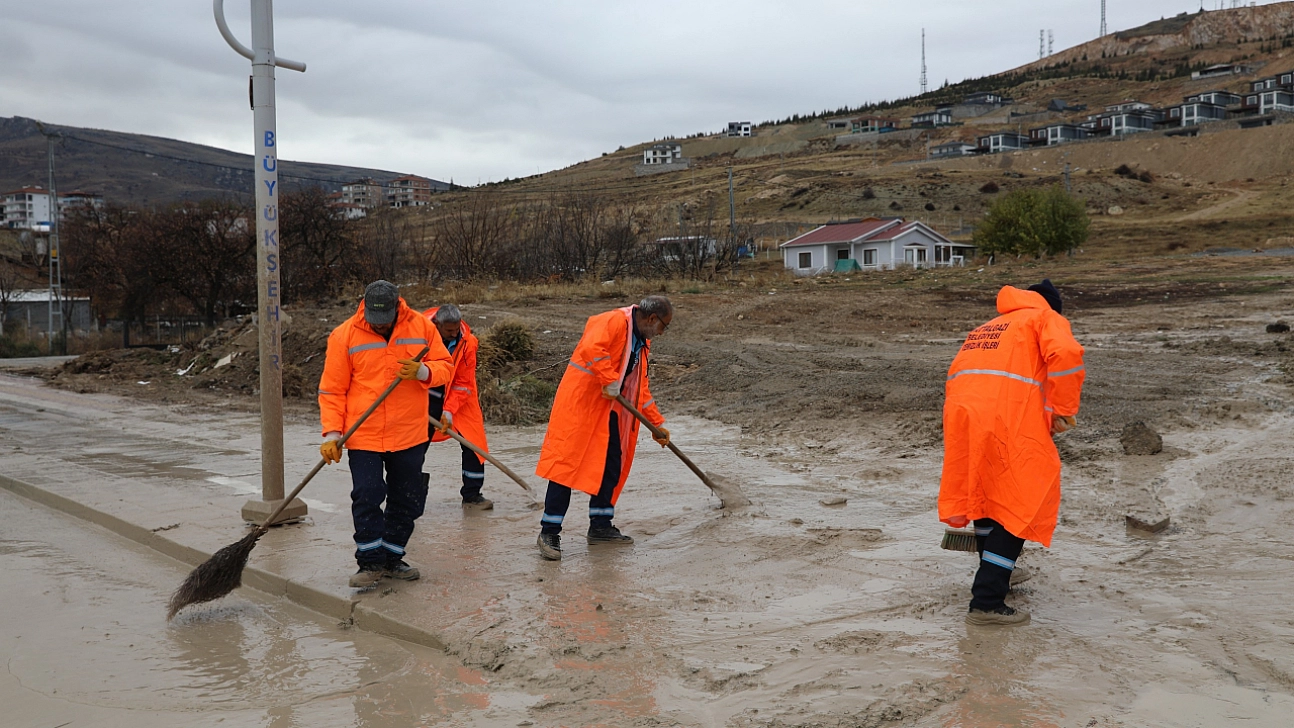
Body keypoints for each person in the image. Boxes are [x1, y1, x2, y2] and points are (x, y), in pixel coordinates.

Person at [938, 279, 1085, 626]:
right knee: (1024, 500)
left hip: (964, 417)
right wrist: (1062, 409)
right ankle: (987, 601)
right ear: (1050, 305)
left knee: (988, 495)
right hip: (1007, 416)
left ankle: (995, 567)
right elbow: (1065, 356)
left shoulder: (989, 327)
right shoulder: (1044, 318)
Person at [319, 280, 454, 589]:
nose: (378, 327)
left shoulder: (421, 327)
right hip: (363, 433)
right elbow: (332, 390)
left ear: (397, 308)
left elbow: (445, 367)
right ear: (364, 308)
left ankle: (393, 556)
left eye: (385, 321)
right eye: (373, 320)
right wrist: (332, 432)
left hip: (410, 431)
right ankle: (369, 562)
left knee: (407, 498)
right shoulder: (344, 336)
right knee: (366, 495)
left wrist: (423, 372)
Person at [534, 295, 673, 560]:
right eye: (664, 326)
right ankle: (549, 532)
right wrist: (608, 379)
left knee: (612, 464)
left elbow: (641, 388)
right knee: (566, 467)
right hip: (582, 406)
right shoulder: (613, 321)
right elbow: (592, 347)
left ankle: (600, 526)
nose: (662, 332)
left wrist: (657, 424)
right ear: (652, 318)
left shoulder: (642, 343)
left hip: (611, 412)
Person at [422, 303, 493, 510]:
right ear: (437, 325)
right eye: (449, 331)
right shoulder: (417, 334)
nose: (454, 334)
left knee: (474, 444)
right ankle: (406, 495)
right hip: (422, 395)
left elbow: (464, 382)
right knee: (413, 446)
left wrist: (449, 409)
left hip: (459, 397)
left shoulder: (468, 343)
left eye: (456, 329)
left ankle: (472, 495)